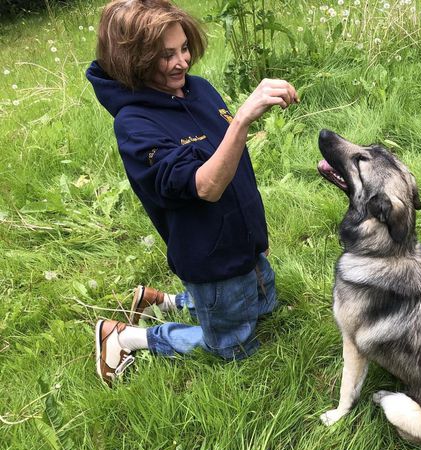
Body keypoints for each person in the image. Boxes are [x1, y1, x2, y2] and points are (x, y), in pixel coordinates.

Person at [86, 0, 299, 386]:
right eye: (165, 55)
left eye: (183, 48)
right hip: (212, 259)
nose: (182, 62)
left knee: (266, 308)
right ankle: (124, 337)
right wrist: (245, 118)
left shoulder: (197, 90)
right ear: (133, 59)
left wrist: (256, 231)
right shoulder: (135, 124)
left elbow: (231, 162)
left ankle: (164, 301)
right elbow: (207, 186)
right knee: (234, 348)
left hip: (246, 244)